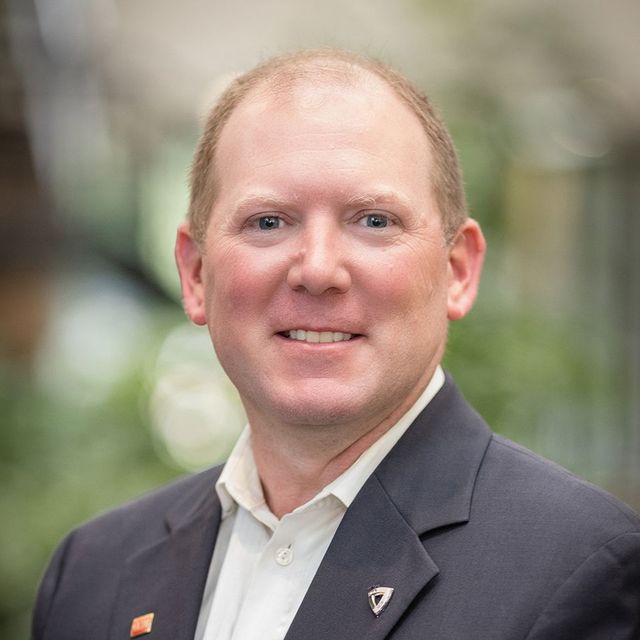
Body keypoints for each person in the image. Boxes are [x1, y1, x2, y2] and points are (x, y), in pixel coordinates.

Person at [33, 49, 640, 640]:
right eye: (268, 221)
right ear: (195, 275)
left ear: (457, 270)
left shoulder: (579, 568)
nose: (318, 269)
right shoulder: (93, 575)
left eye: (374, 220)